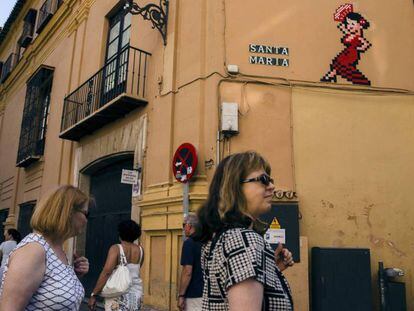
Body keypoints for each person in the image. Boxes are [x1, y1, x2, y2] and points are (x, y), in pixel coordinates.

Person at [194, 151, 294, 310]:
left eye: (270, 179)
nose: (272, 186)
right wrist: (253, 257)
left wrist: (269, 268)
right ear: (235, 187)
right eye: (263, 179)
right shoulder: (245, 241)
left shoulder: (222, 239)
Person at [0, 185, 91, 310]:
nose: (87, 220)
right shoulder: (34, 251)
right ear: (68, 212)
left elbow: (49, 291)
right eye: (86, 214)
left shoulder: (57, 249)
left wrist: (74, 274)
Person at [88, 220, 144, 311]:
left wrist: (94, 294)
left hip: (117, 293)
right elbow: (136, 270)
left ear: (120, 234)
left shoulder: (116, 248)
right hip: (135, 294)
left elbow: (106, 272)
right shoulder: (141, 250)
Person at [321, 11, 371, 85]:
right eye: (348, 24)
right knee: (338, 65)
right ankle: (330, 76)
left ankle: (330, 76)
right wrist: (342, 28)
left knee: (343, 66)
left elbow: (366, 44)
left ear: (359, 25)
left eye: (353, 24)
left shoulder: (358, 37)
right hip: (346, 53)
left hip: (351, 55)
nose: (350, 26)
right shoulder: (350, 34)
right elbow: (346, 32)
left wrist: (358, 49)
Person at [177, 214, 203, 311]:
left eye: (183, 225)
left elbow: (187, 272)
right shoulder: (207, 242)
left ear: (189, 225)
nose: (183, 229)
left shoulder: (189, 243)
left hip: (194, 294)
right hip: (208, 293)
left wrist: (181, 295)